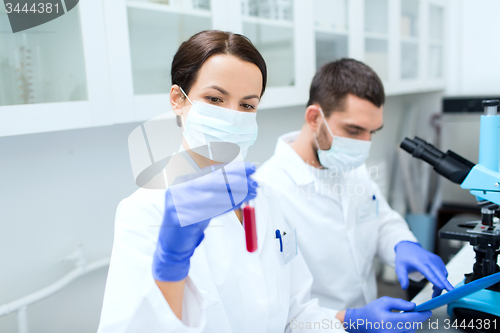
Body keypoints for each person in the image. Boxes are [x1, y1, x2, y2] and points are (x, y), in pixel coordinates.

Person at [98, 31, 399, 333]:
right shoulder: (144, 211)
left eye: (247, 105)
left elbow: (296, 313)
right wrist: (170, 270)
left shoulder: (264, 197)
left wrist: (354, 321)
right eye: (215, 99)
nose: (232, 117)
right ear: (179, 99)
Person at [254, 59, 452, 332]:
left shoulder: (349, 166)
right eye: (354, 130)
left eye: (372, 132)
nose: (364, 145)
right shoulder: (267, 191)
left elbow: (380, 219)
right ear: (314, 118)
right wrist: (353, 320)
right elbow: (279, 313)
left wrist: (403, 244)